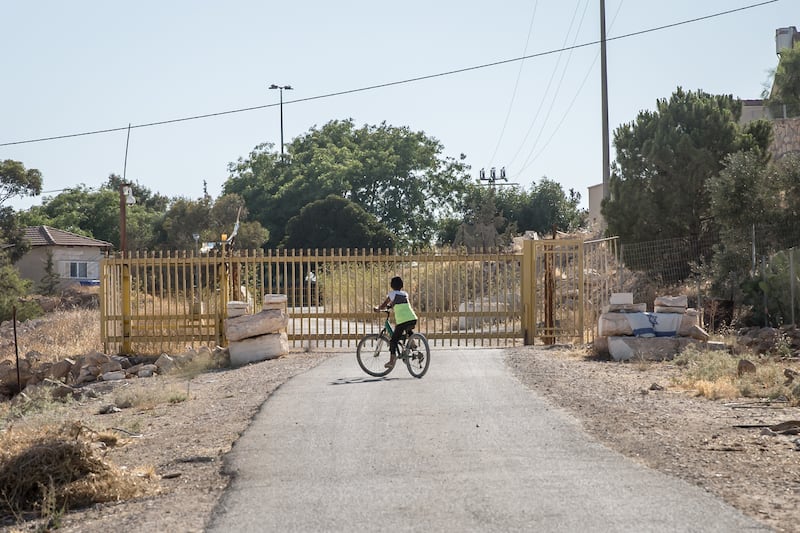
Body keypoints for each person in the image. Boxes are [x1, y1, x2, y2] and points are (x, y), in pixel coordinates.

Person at [374, 276, 418, 368]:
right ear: (401, 285)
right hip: (412, 318)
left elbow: (384, 304)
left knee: (393, 341)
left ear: (391, 286)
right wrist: (391, 306)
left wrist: (378, 308)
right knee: (408, 330)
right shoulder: (405, 294)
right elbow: (399, 303)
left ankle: (391, 361)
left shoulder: (392, 294)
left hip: (402, 320)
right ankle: (413, 345)